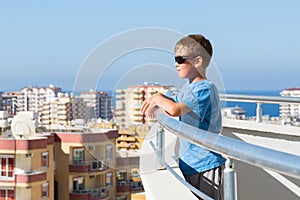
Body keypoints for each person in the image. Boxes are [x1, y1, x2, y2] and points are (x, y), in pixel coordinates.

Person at [140, 34, 226, 200]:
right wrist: (156, 103)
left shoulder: (204, 89)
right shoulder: (189, 88)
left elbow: (174, 110)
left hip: (205, 164)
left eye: (180, 59)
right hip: (191, 162)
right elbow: (173, 104)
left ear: (198, 61)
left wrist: (157, 97)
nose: (175, 64)